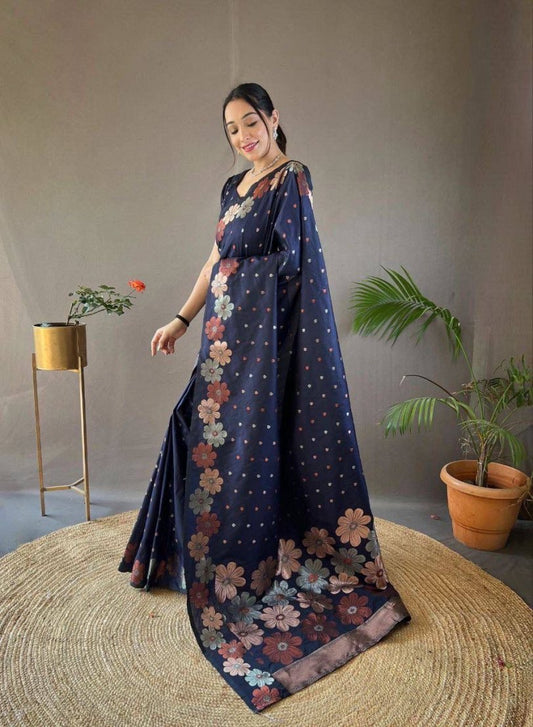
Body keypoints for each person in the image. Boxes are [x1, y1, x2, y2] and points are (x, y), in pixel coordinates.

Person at [119, 82, 410, 713]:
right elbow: (214, 261)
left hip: (259, 352)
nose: (244, 136)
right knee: (191, 432)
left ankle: (251, 568)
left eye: (251, 122)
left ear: (274, 119)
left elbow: (295, 268)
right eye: (232, 129)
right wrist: (180, 319)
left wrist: (234, 290)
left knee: (242, 452)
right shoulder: (234, 189)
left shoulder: (291, 180)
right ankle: (183, 561)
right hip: (221, 344)